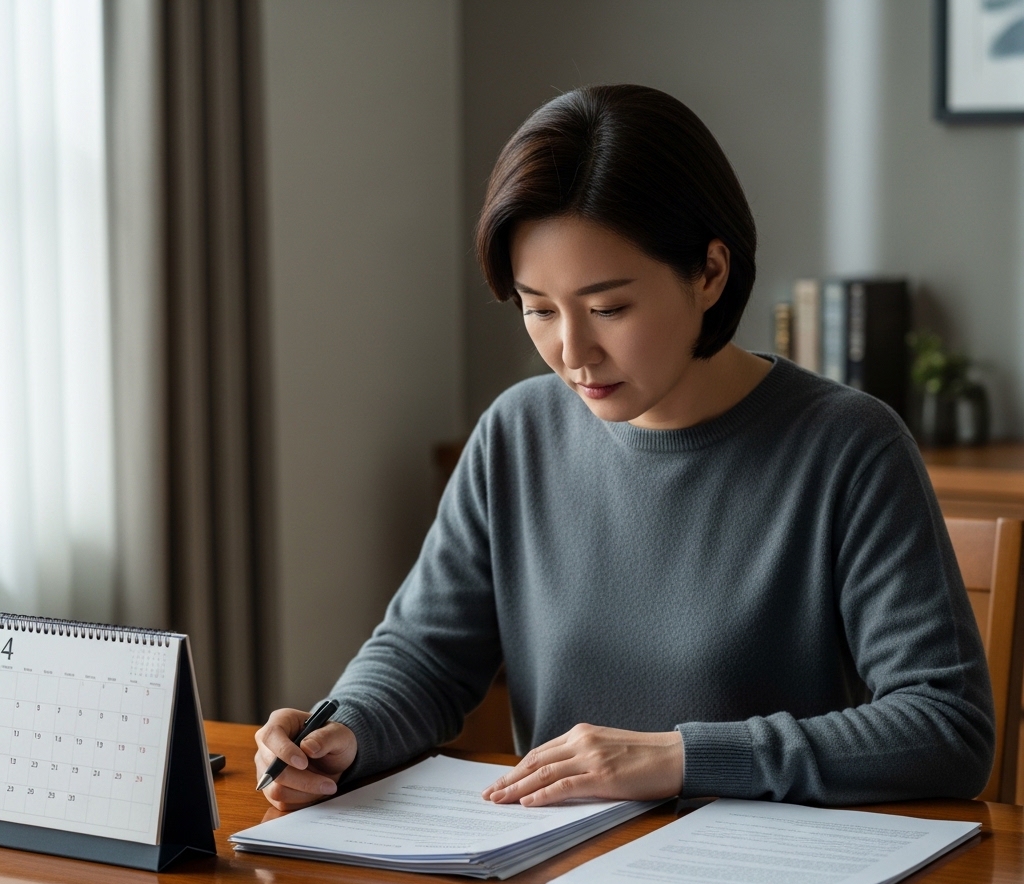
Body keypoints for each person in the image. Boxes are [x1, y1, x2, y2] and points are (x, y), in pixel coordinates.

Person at [255, 84, 994, 813]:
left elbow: (945, 727)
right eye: (538, 310)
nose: (573, 352)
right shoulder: (517, 433)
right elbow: (423, 657)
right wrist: (342, 730)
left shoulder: (848, 447)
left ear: (709, 273)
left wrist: (680, 758)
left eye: (609, 308)